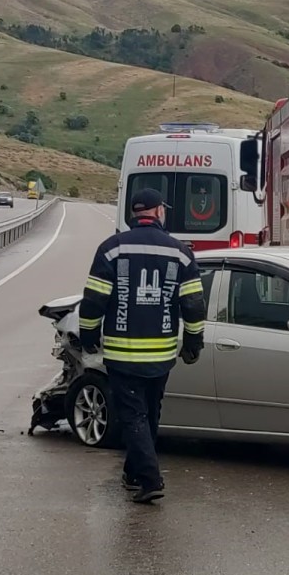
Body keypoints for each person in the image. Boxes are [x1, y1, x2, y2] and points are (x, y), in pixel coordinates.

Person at [77, 187, 206, 503]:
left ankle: (148, 479)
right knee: (149, 412)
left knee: (133, 415)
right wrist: (193, 343)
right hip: (161, 353)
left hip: (122, 353)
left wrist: (89, 337)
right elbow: (193, 304)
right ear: (159, 211)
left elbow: (93, 301)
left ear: (134, 213)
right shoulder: (180, 252)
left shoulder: (111, 249)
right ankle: (135, 474)